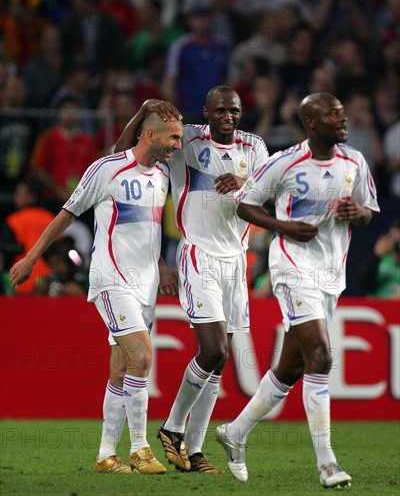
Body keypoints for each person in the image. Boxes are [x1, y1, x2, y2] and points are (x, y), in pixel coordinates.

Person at [215, 92, 380, 488]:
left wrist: (357, 214)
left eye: (343, 113)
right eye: (334, 115)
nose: (343, 120)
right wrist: (283, 227)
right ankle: (327, 464)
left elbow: (368, 211)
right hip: (291, 268)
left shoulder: (354, 161)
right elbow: (244, 203)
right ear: (311, 124)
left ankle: (235, 432)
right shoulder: (285, 162)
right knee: (321, 357)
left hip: (330, 274)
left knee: (290, 368)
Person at [10, 102, 184, 474]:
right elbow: (66, 215)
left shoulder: (162, 176)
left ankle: (106, 454)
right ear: (150, 133)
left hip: (147, 286)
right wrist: (30, 258)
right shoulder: (106, 170)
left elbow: (148, 233)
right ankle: (140, 449)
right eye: (173, 137)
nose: (177, 145)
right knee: (142, 356)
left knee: (122, 369)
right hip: (111, 280)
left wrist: (162, 265)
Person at [114, 86, 270, 473]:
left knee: (218, 364)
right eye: (219, 110)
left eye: (233, 110)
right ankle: (171, 427)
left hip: (237, 261)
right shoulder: (186, 140)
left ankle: (195, 451)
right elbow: (123, 154)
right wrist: (144, 109)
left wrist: (245, 184)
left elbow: (271, 190)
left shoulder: (254, 147)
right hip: (198, 254)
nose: (227, 117)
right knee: (213, 349)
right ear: (206, 112)